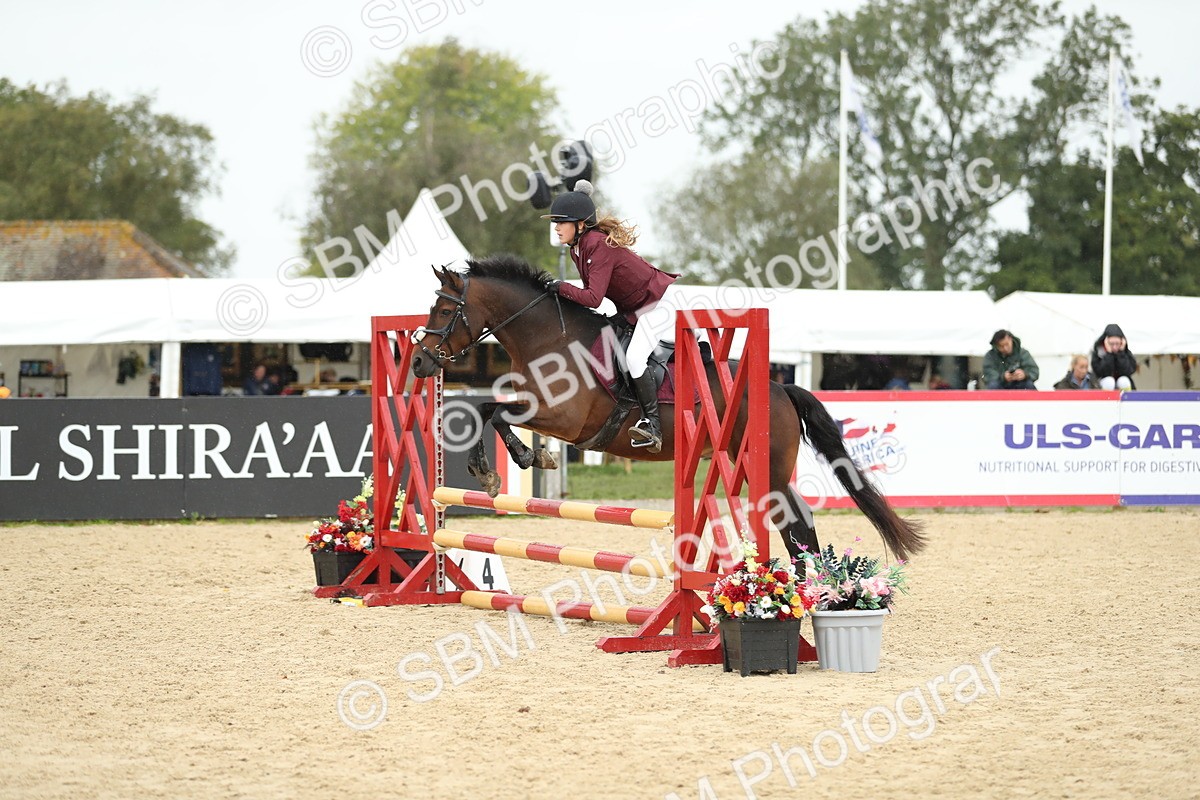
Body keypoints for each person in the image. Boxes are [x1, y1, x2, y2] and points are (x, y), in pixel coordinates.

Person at [542, 180, 681, 453]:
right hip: (633, 309)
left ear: (580, 225)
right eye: (556, 222)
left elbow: (593, 298)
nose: (556, 227)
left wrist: (560, 287)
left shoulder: (597, 245)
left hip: (659, 304)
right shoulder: (577, 249)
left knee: (634, 358)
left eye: (561, 222)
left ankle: (653, 425)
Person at [1091, 323, 1137, 390]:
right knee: (1109, 382)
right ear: (1106, 342)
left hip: (1121, 384)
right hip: (1103, 384)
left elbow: (1127, 372)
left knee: (1124, 381)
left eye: (1117, 343)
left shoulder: (1126, 352)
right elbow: (1101, 372)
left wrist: (1121, 354)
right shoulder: (1098, 352)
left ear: (1122, 342)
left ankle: (1126, 397)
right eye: (1111, 344)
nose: (1115, 347)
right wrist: (1109, 354)